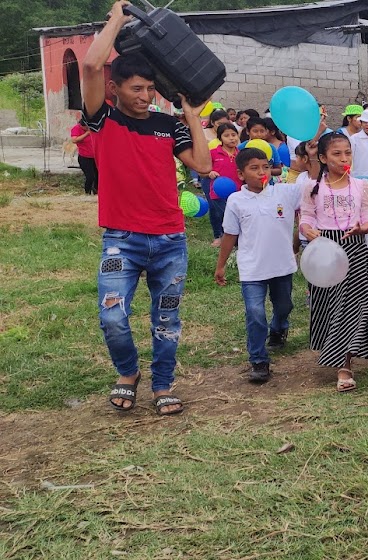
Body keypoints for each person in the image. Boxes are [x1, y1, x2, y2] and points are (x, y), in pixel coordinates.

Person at [84, 1, 211, 416]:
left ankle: (162, 383)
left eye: (149, 89)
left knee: (167, 319)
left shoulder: (168, 125)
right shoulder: (103, 120)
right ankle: (128, 372)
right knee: (112, 317)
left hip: (170, 238)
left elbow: (203, 165)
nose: (144, 96)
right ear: (114, 89)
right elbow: (90, 66)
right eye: (135, 89)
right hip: (121, 239)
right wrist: (116, 20)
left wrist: (191, 117)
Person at [298, 132, 368, 392]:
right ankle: (336, 352)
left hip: (355, 249)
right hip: (325, 251)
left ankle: (345, 366)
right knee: (331, 306)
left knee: (352, 307)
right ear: (323, 158)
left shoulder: (362, 186)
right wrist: (307, 230)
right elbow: (306, 217)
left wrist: (363, 228)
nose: (344, 158)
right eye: (336, 154)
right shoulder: (312, 187)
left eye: (348, 153)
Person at [213, 148, 302, 383]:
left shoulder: (284, 192)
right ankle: (259, 360)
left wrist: (311, 153)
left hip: (282, 265)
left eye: (265, 167)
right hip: (252, 268)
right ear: (241, 174)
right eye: (254, 168)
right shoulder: (236, 201)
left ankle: (279, 328)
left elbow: (312, 181)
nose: (262, 172)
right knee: (255, 312)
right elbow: (230, 235)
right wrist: (221, 265)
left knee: (284, 306)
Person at [207, 123, 242, 246]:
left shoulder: (241, 154)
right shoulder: (213, 153)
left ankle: (235, 240)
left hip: (238, 192)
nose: (231, 138)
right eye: (227, 136)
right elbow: (204, 169)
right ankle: (219, 236)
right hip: (218, 192)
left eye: (234, 135)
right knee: (222, 215)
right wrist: (210, 172)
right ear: (220, 138)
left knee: (236, 216)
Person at [69, 121, 97, 195]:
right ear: (81, 125)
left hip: (95, 157)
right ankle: (87, 192)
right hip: (85, 157)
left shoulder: (93, 127)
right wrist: (86, 134)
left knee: (98, 176)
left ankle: (96, 192)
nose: (88, 128)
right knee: (90, 176)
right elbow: (74, 140)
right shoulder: (76, 129)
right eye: (86, 127)